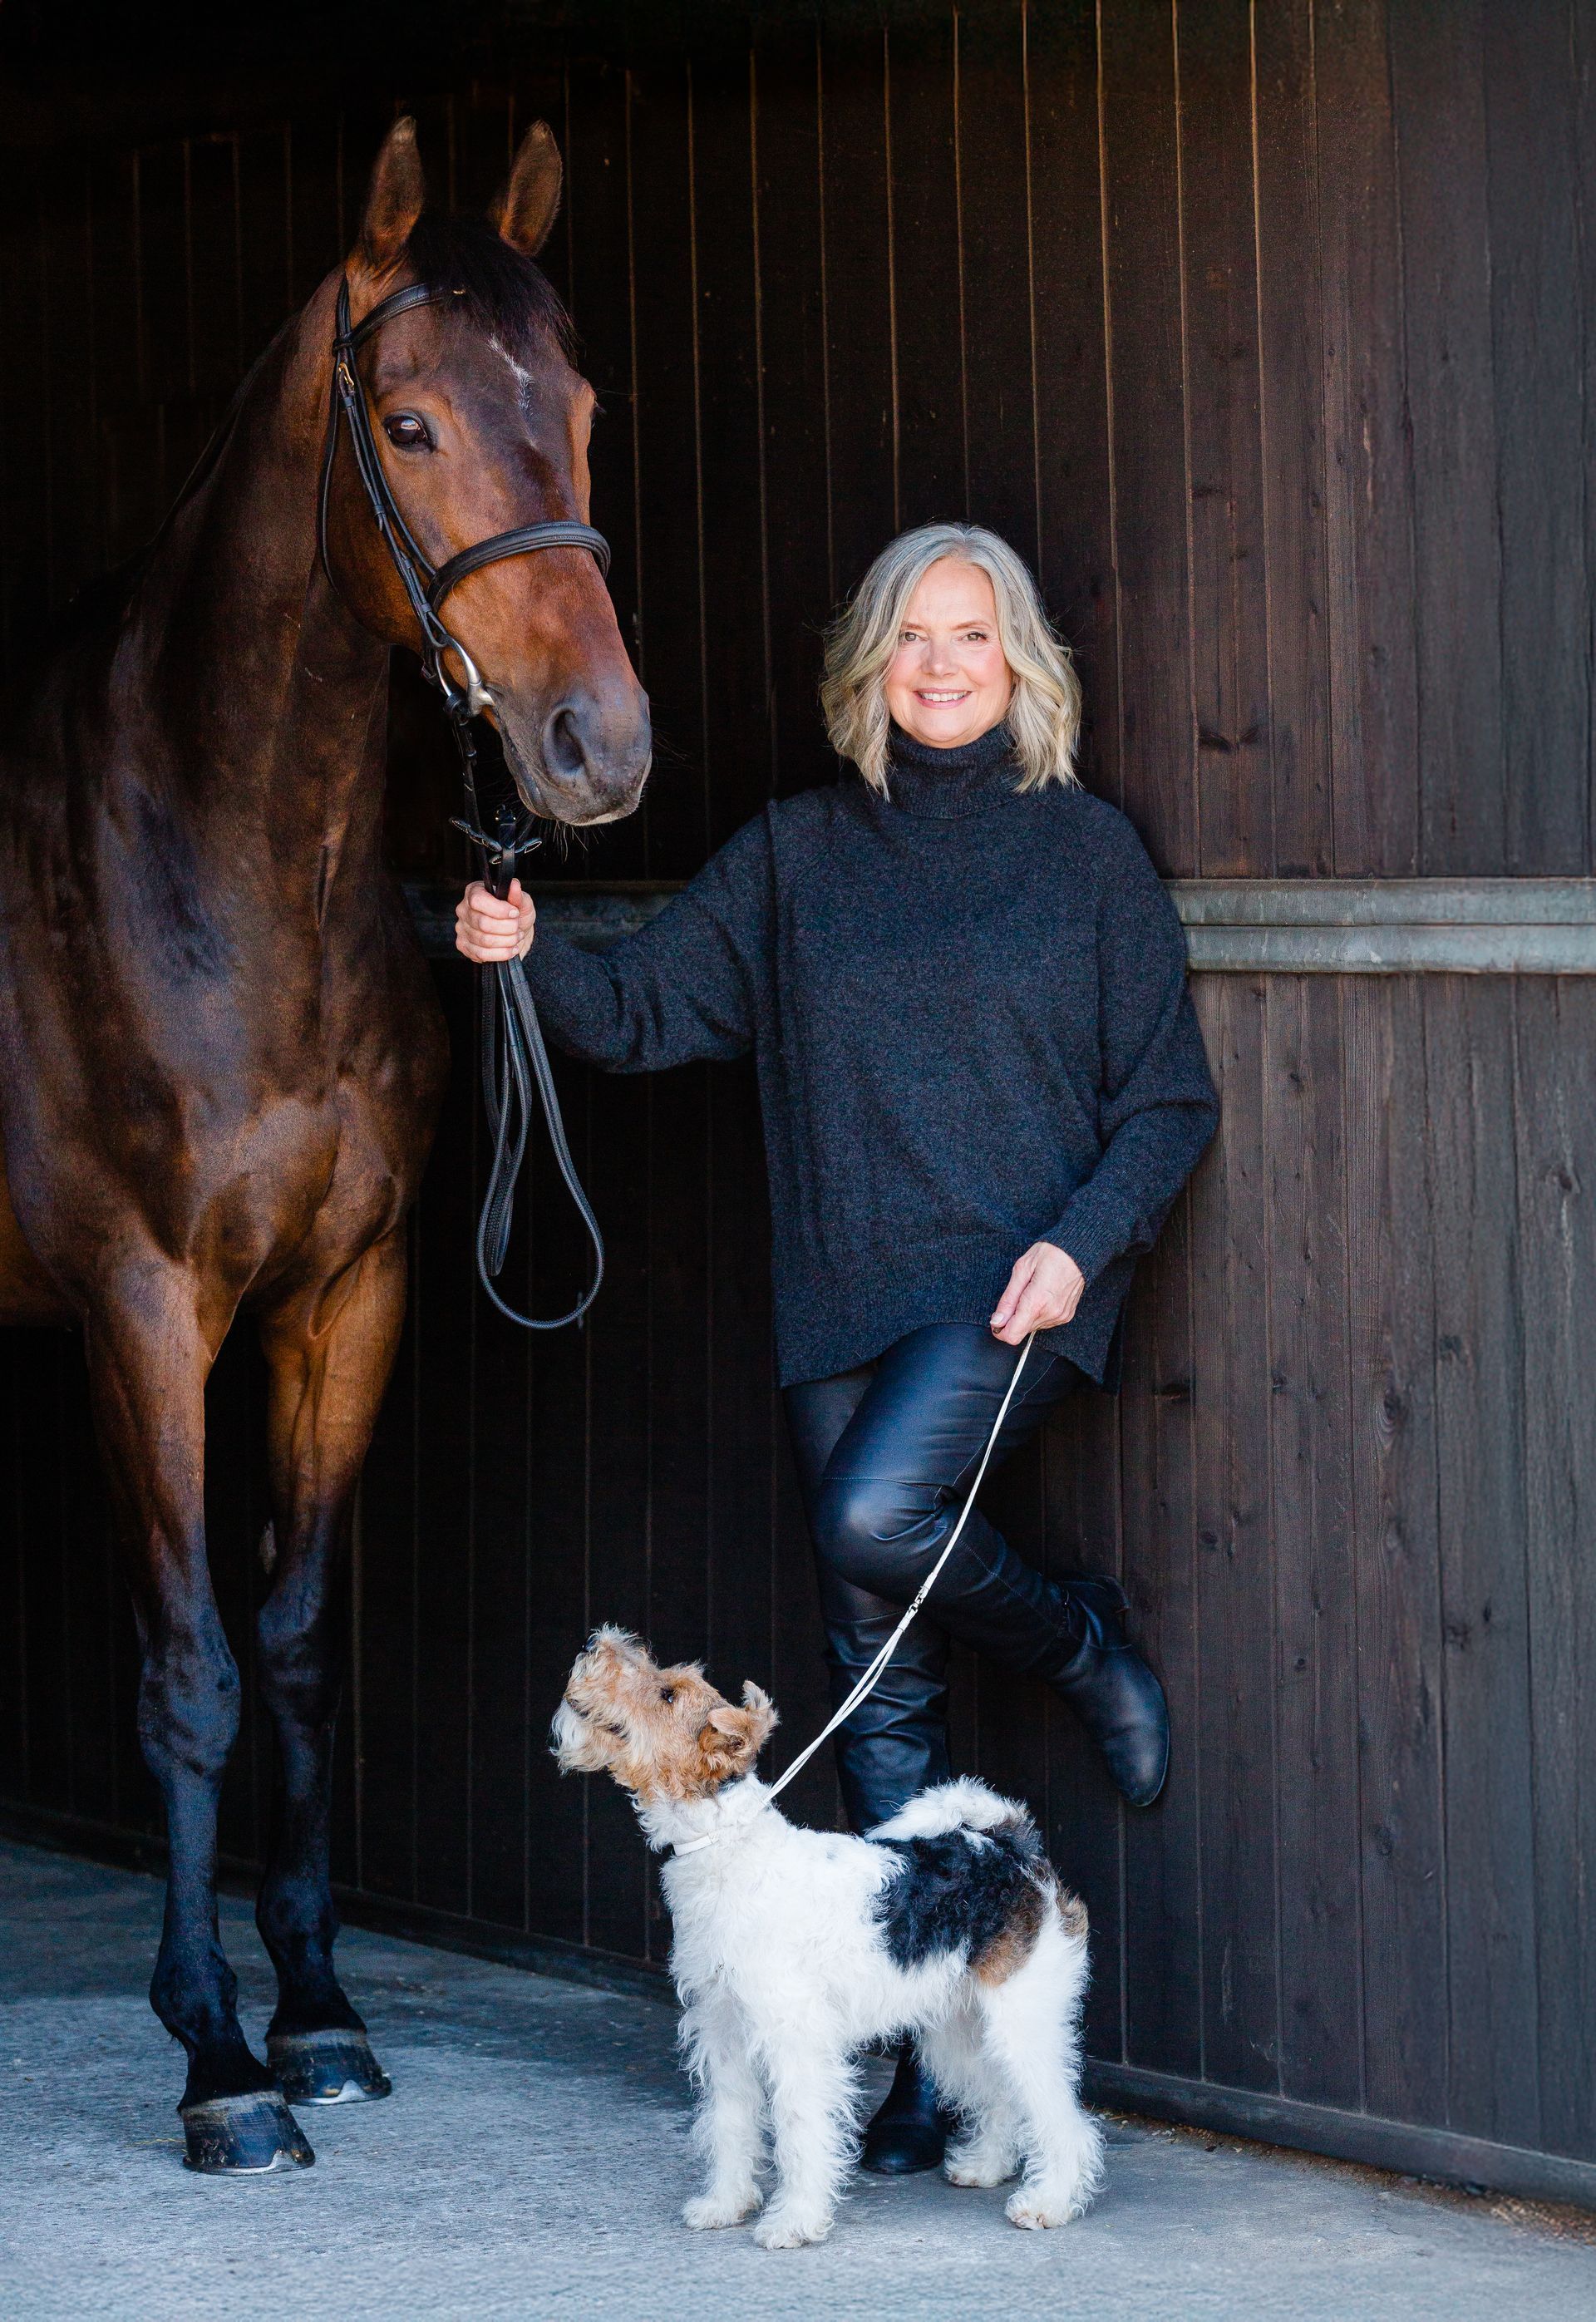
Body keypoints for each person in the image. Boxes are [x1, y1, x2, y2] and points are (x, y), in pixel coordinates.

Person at [456, 522, 1219, 2172]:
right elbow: (649, 1006)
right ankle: (922, 2072)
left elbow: (1170, 1101)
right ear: (867, 662)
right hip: (836, 1301)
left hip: (1003, 1292)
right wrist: (529, 961)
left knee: (873, 1522)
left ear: (1022, 662)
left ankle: (1084, 1644)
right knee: (884, 1680)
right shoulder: (798, 854)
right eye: (913, 636)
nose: (943, 664)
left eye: (975, 634)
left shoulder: (1085, 856)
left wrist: (1077, 1247)